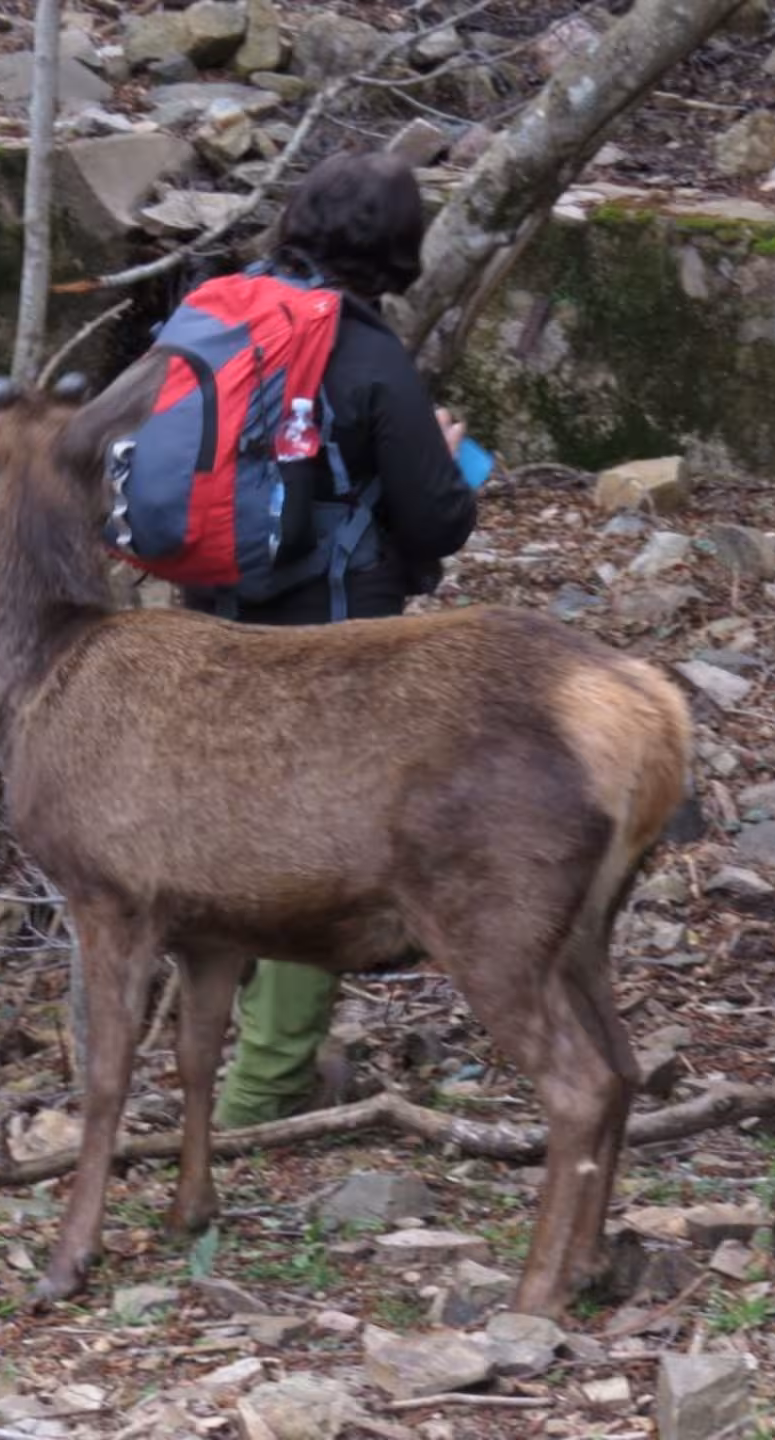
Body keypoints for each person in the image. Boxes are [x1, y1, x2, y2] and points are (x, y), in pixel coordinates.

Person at [175, 150, 480, 1130]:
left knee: (225, 835)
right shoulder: (369, 354)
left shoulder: (217, 314)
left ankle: (202, 1066)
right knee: (313, 855)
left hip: (212, 619)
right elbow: (437, 524)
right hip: (331, 643)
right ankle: (265, 1089)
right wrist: (449, 450)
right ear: (398, 246)